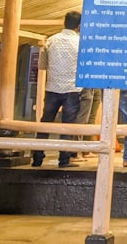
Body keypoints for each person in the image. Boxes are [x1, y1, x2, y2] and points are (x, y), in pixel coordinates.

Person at [32, 11, 82, 168]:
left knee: (45, 122)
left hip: (52, 87)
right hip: (73, 89)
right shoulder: (81, 42)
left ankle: (37, 158)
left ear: (64, 22)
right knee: (67, 125)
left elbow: (42, 65)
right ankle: (64, 160)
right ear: (79, 26)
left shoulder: (51, 41)